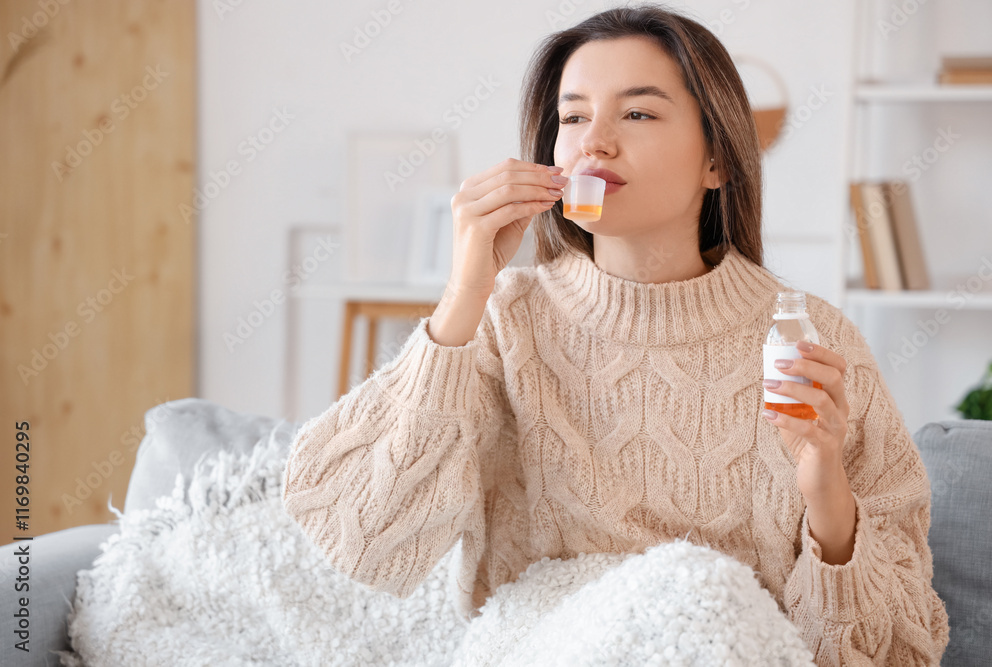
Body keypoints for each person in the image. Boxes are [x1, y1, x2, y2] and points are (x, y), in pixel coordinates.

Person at [282, 4, 949, 665]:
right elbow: (363, 542)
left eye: (636, 113)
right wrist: (464, 295)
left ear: (716, 160)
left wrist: (826, 495)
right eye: (572, 117)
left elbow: (897, 650)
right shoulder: (504, 321)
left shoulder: (811, 338)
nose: (591, 141)